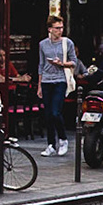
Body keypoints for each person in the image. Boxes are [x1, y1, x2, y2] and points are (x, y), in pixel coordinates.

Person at [35, 16, 83, 157]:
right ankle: (51, 144)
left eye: (61, 28)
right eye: (57, 28)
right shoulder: (43, 44)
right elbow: (41, 65)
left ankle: (63, 139)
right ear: (50, 29)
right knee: (48, 114)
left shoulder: (67, 43)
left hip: (60, 80)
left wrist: (61, 64)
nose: (60, 31)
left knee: (56, 112)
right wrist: (39, 85)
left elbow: (74, 62)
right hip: (46, 81)